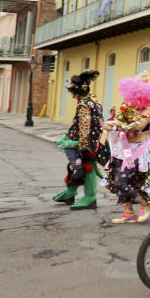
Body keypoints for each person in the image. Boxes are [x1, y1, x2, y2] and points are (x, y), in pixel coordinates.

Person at [103, 73, 150, 223]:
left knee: (122, 181)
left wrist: (114, 127)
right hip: (122, 151)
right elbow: (119, 123)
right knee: (117, 180)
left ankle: (143, 203)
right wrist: (113, 118)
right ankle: (128, 212)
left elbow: (137, 127)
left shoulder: (146, 113)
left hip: (138, 152)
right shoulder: (127, 110)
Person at [53, 70, 105, 210]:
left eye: (72, 92)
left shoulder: (84, 105)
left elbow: (84, 126)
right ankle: (70, 193)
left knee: (84, 168)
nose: (71, 95)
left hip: (85, 144)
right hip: (91, 142)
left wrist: (83, 145)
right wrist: (67, 135)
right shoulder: (94, 101)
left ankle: (90, 197)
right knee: (75, 167)